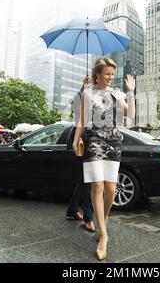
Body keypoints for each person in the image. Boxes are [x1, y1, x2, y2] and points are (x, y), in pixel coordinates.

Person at [72, 58, 136, 261]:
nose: (110, 77)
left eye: (112, 74)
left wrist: (131, 92)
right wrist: (75, 140)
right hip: (92, 142)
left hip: (114, 143)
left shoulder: (116, 93)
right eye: (107, 73)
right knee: (97, 186)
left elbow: (131, 115)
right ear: (97, 74)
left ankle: (103, 219)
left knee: (111, 189)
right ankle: (104, 235)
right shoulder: (87, 94)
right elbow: (81, 120)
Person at [66, 76, 95, 232]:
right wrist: (83, 90)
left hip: (93, 143)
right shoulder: (79, 97)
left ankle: (72, 210)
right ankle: (88, 217)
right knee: (86, 181)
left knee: (84, 180)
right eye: (88, 84)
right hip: (80, 142)